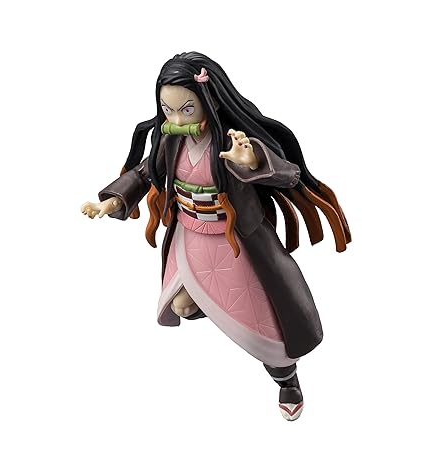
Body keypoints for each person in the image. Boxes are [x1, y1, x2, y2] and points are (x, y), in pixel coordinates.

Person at [81, 52, 351, 421]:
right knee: (182, 307)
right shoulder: (169, 140)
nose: (177, 121)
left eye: (186, 110)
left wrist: (251, 161)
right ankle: (217, 307)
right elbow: (146, 172)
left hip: (235, 243)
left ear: (208, 100)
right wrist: (112, 200)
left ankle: (287, 379)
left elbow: (288, 174)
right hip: (190, 236)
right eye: (168, 110)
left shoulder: (232, 140)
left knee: (268, 329)